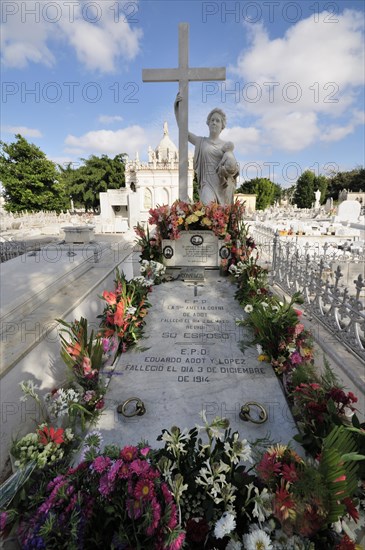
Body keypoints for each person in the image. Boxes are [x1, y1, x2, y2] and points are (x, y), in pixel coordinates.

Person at [174, 93, 238, 205]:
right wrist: (177, 109)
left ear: (222, 126)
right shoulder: (201, 141)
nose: (214, 122)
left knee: (219, 218)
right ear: (208, 123)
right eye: (212, 120)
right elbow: (184, 132)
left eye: (217, 121)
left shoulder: (226, 146)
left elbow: (233, 168)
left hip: (222, 186)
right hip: (207, 184)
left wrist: (232, 169)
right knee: (208, 208)